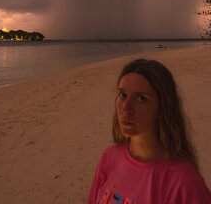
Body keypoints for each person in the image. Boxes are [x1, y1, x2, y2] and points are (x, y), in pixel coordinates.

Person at [87, 59, 211, 204]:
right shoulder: (109, 158)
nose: (126, 108)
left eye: (141, 98)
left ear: (162, 108)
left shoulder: (183, 182)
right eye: (123, 95)